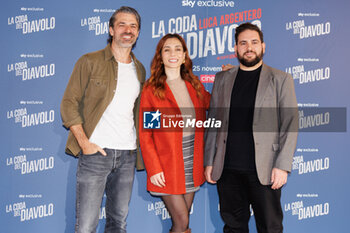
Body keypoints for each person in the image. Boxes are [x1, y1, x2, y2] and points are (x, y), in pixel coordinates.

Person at [204, 22, 298, 233]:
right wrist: (209, 161)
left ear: (263, 46)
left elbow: (290, 123)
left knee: (270, 227)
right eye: (243, 43)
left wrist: (282, 165)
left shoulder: (281, 79)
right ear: (236, 49)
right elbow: (214, 122)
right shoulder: (221, 79)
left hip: (264, 170)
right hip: (227, 169)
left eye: (254, 42)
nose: (249, 47)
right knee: (233, 227)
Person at [60, 6, 145, 233]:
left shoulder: (140, 69)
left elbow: (138, 112)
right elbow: (69, 103)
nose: (128, 30)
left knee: (119, 224)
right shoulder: (89, 61)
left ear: (138, 33)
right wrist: (84, 143)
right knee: (86, 226)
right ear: (111, 30)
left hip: (127, 155)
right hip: (96, 154)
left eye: (133, 26)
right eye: (122, 25)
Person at [139, 33, 210, 233]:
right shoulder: (151, 90)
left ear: (185, 55)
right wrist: (153, 169)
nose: (173, 53)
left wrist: (230, 77)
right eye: (167, 49)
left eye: (178, 48)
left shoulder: (194, 85)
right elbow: (146, 135)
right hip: (166, 165)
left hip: (192, 161)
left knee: (184, 219)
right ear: (160, 56)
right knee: (181, 219)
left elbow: (213, 102)